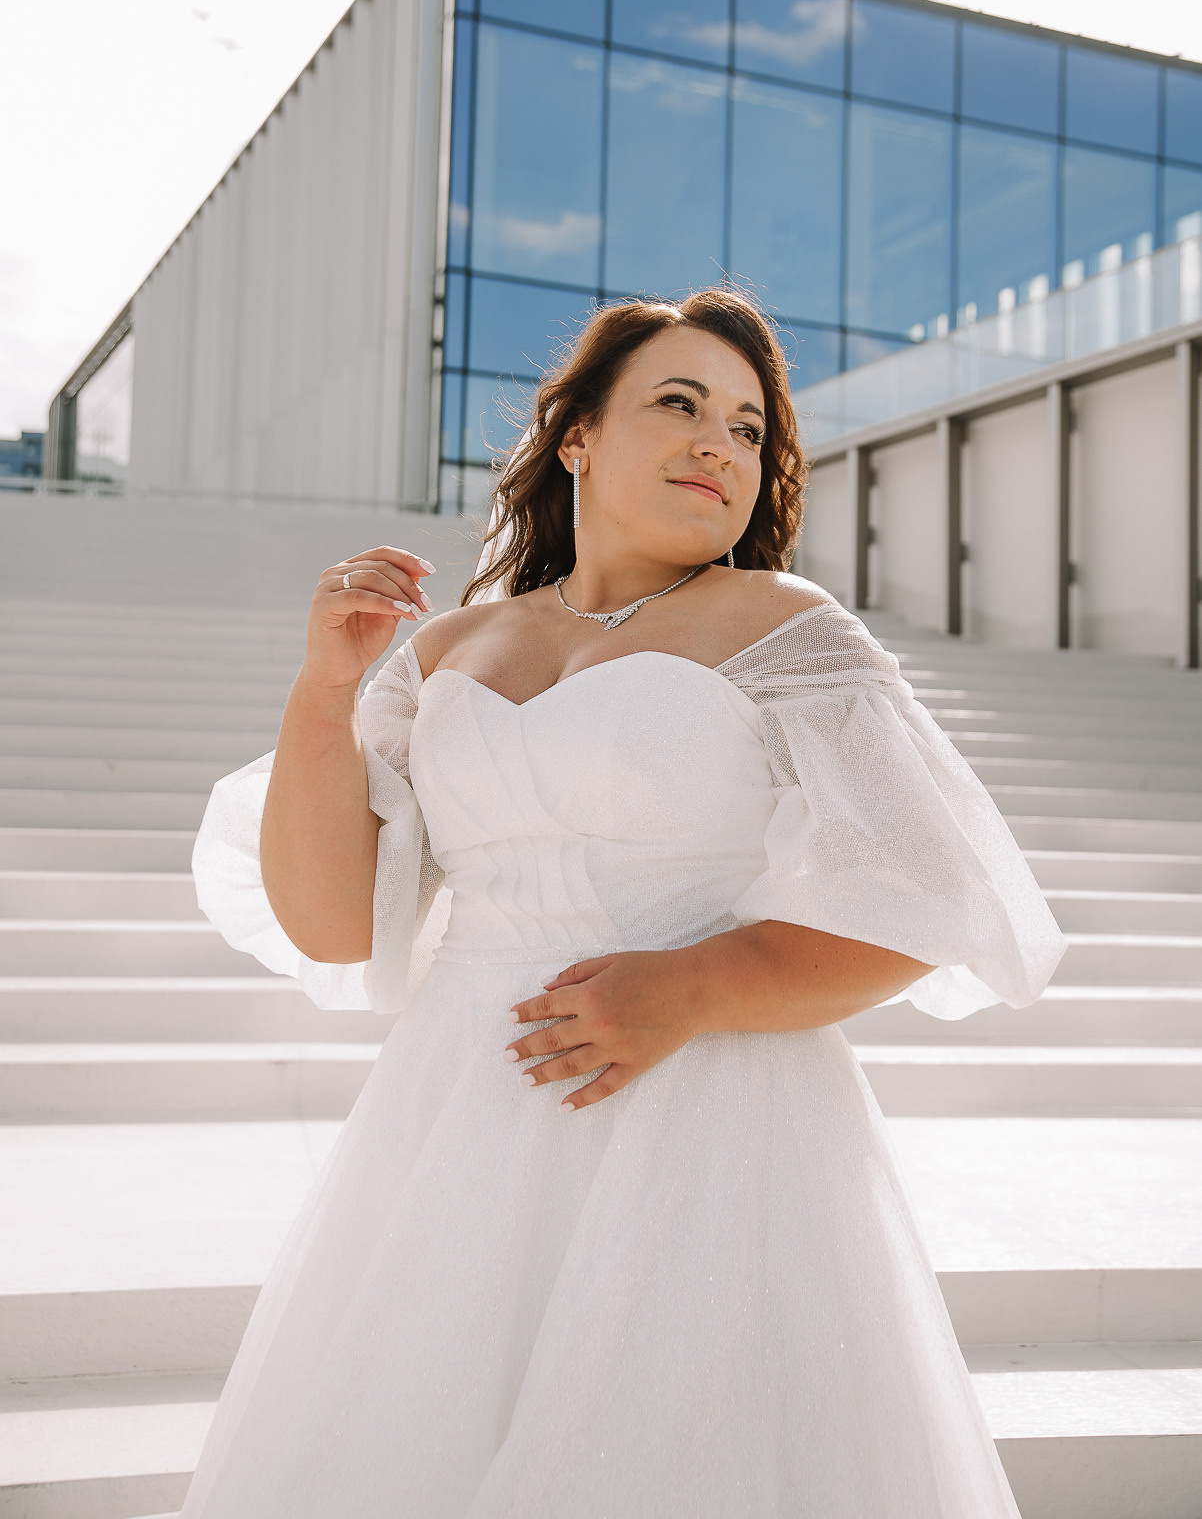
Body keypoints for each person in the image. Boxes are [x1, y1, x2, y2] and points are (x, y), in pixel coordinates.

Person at [185, 287, 1066, 1518]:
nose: (720, 444)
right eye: (679, 403)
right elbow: (332, 921)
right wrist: (325, 687)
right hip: (459, 1112)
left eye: (751, 430)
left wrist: (695, 986)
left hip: (708, 1112)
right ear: (577, 437)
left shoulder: (784, 626)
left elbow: (926, 895)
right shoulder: (446, 651)